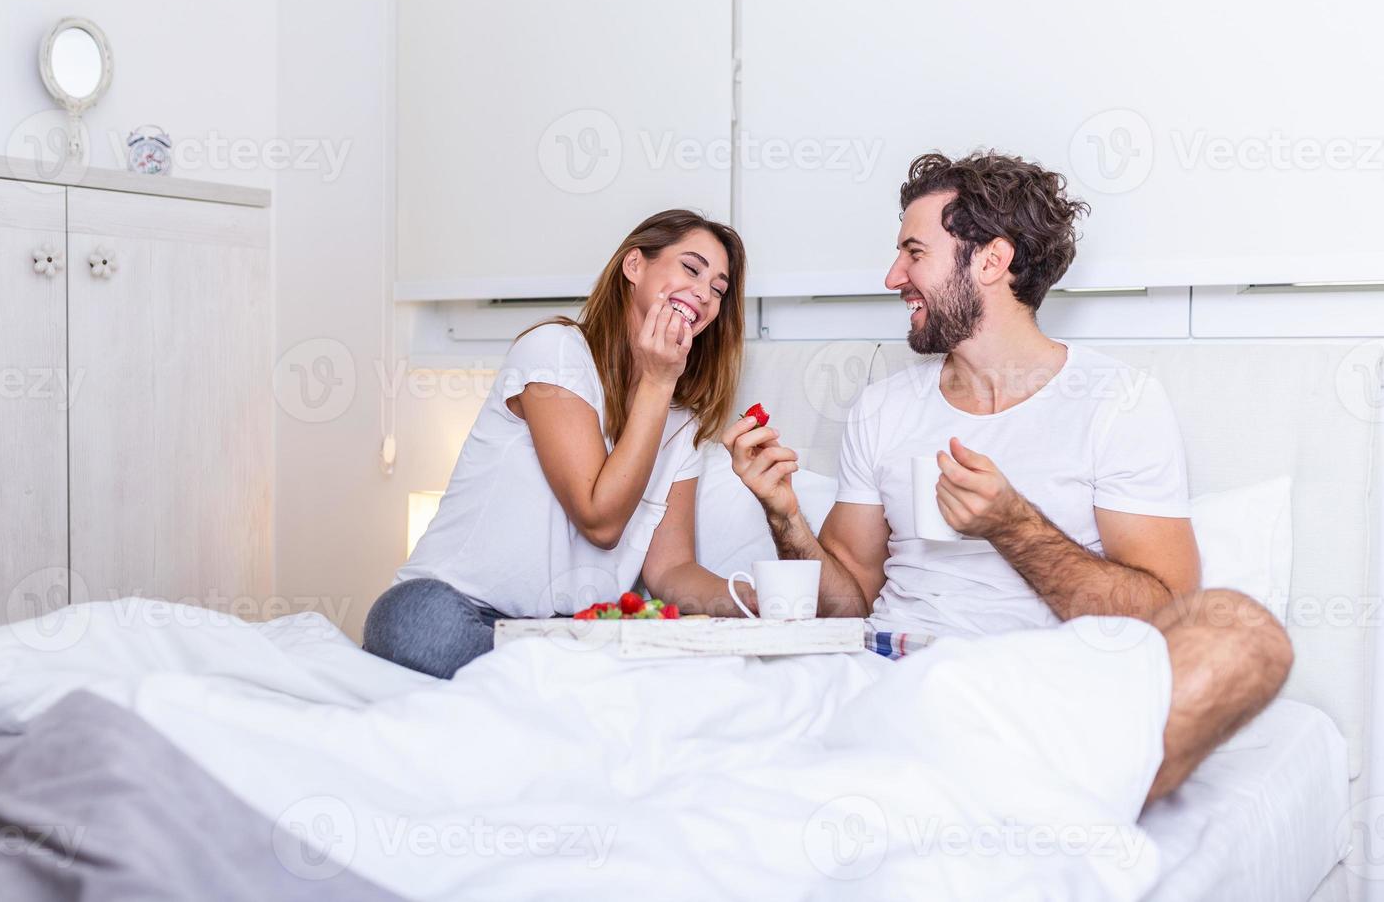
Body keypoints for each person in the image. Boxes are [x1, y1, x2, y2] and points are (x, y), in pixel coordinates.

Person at [723, 151, 1292, 803]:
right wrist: (784, 516)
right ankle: (1019, 790)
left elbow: (1160, 617)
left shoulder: (1116, 402)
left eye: (914, 253)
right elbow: (846, 600)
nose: (892, 277)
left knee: (1241, 628)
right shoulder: (884, 408)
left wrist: (1012, 526)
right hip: (887, 675)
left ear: (990, 261)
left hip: (1031, 692)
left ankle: (1041, 789)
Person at [365, 209, 753, 679]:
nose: (704, 293)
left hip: (559, 637)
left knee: (612, 674)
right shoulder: (556, 351)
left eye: (718, 289)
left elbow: (671, 571)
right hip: (451, 607)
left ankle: (534, 693)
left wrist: (751, 599)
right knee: (433, 631)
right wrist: (657, 383)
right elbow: (599, 519)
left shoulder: (679, 422)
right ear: (634, 266)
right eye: (691, 269)